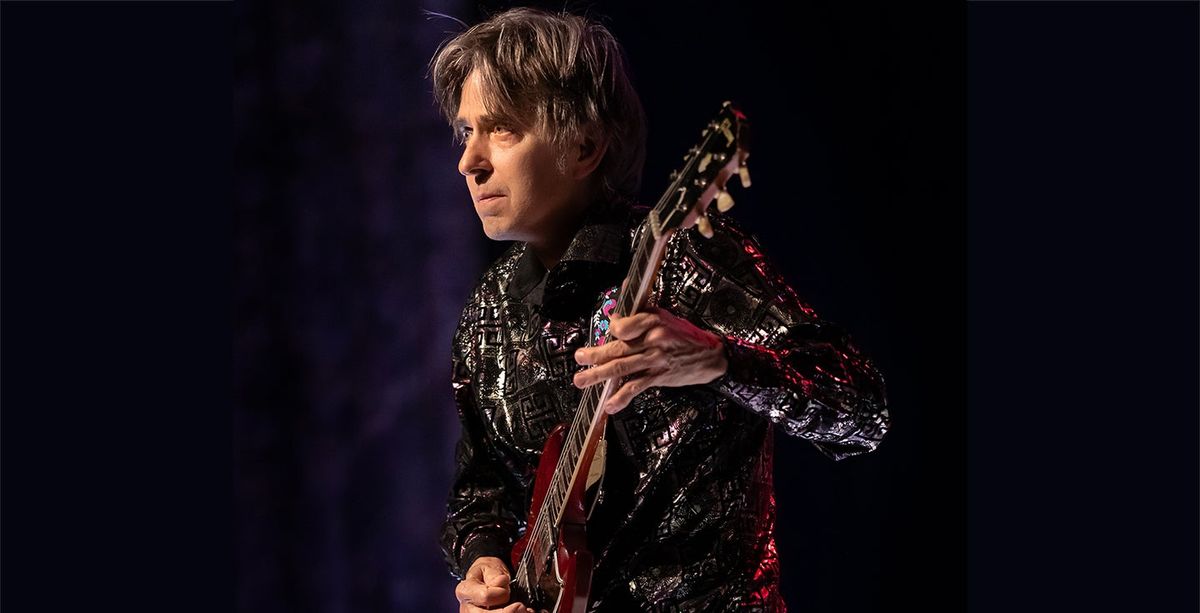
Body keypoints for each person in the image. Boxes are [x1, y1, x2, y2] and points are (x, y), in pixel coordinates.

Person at [429, 7, 890, 612]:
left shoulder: (684, 255)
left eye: (503, 129)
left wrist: (720, 361)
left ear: (585, 146)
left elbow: (861, 409)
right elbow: (479, 492)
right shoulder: (488, 310)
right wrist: (484, 562)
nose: (469, 161)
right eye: (467, 132)